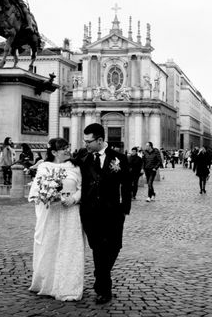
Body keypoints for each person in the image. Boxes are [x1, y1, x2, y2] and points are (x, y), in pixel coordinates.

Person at [75, 123, 131, 305]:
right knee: (98, 249)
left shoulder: (119, 158)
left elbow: (126, 184)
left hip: (113, 211)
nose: (86, 145)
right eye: (85, 141)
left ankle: (100, 274)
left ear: (100, 140)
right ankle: (103, 289)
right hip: (91, 212)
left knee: (115, 247)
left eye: (89, 141)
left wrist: (125, 208)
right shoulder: (83, 158)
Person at [28, 137, 84, 301]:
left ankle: (68, 286)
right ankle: (48, 283)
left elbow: (83, 187)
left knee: (69, 247)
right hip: (51, 211)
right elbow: (38, 188)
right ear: (53, 152)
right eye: (63, 148)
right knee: (50, 245)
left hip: (70, 211)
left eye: (68, 147)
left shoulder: (75, 166)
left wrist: (73, 199)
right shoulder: (44, 167)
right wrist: (49, 195)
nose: (68, 150)